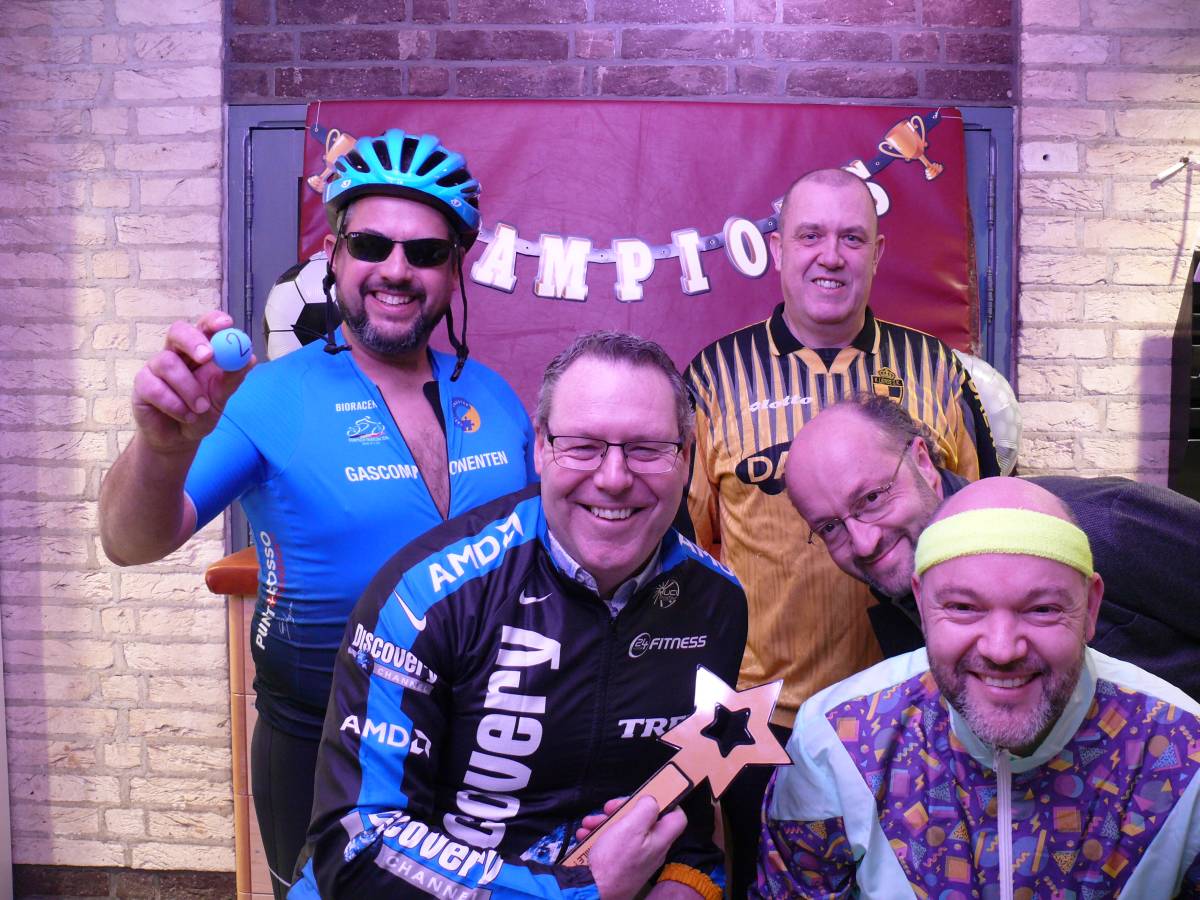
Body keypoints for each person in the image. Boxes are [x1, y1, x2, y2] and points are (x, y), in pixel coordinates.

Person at [97, 129, 537, 898]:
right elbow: (130, 541)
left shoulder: (497, 398)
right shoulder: (270, 395)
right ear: (333, 256)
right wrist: (163, 450)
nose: (395, 269)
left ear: (453, 269)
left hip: (481, 744)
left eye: (425, 252)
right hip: (318, 747)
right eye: (370, 244)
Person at [294, 331, 748, 899]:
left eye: (647, 448)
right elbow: (357, 849)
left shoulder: (716, 604)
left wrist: (688, 882)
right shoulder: (425, 596)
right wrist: (579, 891)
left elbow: (684, 809)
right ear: (539, 449)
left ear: (686, 458)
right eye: (582, 445)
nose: (613, 477)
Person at [682, 166, 998, 891]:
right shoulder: (713, 377)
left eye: (853, 238)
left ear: (878, 254)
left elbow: (983, 524)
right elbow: (683, 558)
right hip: (761, 720)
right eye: (811, 236)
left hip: (920, 704)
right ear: (777, 249)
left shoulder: (938, 370)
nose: (832, 255)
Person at [756, 477, 1200, 897]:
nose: (1002, 649)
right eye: (964, 608)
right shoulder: (835, 743)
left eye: (1042, 609)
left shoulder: (1186, 750)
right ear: (922, 604)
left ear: (1090, 607)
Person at [785, 394, 1200, 698]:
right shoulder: (901, 595)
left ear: (923, 463)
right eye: (830, 527)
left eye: (873, 498)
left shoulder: (1101, 521)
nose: (864, 543)